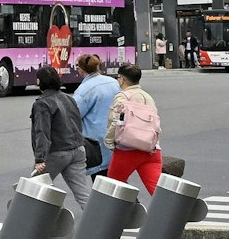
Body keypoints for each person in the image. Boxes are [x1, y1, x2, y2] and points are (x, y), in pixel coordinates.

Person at [30, 64, 91, 210]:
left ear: (40, 82)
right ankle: (99, 223)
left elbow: (42, 131)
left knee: (34, 189)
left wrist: (40, 158)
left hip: (57, 152)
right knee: (83, 193)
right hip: (77, 149)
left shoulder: (42, 103)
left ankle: (54, 220)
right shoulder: (69, 99)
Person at [106, 63, 164, 192]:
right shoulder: (147, 97)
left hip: (127, 150)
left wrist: (109, 140)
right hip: (151, 149)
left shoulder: (122, 96)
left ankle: (124, 211)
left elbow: (116, 121)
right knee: (156, 189)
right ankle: (170, 211)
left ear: (122, 79)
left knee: (112, 188)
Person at [73, 54, 120, 175]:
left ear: (81, 69)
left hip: (96, 142)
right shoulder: (114, 82)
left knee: (101, 182)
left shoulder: (84, 89)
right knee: (117, 177)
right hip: (117, 135)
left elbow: (74, 114)